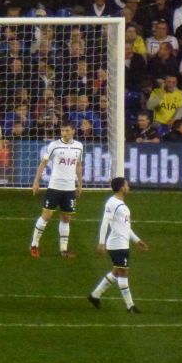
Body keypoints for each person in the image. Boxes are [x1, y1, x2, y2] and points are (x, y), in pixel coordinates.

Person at [88, 176, 148, 314]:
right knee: (123, 273)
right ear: (121, 187)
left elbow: (126, 227)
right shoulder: (112, 203)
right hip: (117, 244)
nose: (128, 187)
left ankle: (94, 296)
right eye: (126, 185)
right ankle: (130, 306)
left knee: (117, 272)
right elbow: (105, 222)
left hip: (123, 243)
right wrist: (101, 243)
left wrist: (137, 240)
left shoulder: (122, 205)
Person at [30, 121, 83, 259]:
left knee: (66, 218)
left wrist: (80, 184)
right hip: (54, 187)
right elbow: (43, 163)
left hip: (70, 188)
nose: (64, 133)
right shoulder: (54, 146)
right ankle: (34, 245)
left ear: (73, 131)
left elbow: (78, 165)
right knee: (46, 216)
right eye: (62, 130)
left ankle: (63, 250)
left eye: (67, 130)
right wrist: (36, 181)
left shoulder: (79, 147)